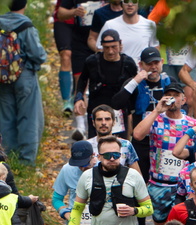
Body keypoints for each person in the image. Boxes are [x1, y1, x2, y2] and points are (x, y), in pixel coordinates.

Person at [132, 82, 196, 225]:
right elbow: (138, 135)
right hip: (159, 183)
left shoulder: (192, 124)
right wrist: (156, 110)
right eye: (168, 95)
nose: (172, 99)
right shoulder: (155, 119)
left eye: (175, 95)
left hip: (183, 185)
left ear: (183, 99)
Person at [0, 0, 46, 165]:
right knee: (28, 117)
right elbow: (37, 54)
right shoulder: (27, 26)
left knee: (6, 117)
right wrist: (32, 65)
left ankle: (6, 156)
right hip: (25, 76)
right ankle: (26, 159)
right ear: (25, 5)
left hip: (3, 77)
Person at [111, 46, 174, 179]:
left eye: (156, 63)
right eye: (149, 64)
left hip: (164, 139)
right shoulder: (134, 84)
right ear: (141, 65)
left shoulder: (169, 82)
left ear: (162, 62)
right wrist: (135, 81)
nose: (153, 67)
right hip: (142, 140)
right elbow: (116, 103)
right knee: (140, 179)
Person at [73, 29, 138, 139]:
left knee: (118, 146)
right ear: (101, 46)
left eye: (114, 47)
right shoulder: (92, 61)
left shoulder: (128, 63)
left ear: (120, 44)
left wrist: (131, 113)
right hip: (96, 109)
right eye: (106, 48)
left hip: (119, 113)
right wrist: (79, 98)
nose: (110, 51)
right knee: (95, 145)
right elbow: (82, 81)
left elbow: (134, 90)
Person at [53, 0, 96, 115]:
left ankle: (76, 94)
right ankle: (67, 101)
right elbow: (60, 13)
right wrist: (73, 11)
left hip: (85, 25)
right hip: (65, 21)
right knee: (66, 55)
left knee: (83, 64)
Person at [96, 0, 159, 65]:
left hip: (142, 70)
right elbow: (100, 49)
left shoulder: (150, 25)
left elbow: (155, 48)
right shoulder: (109, 25)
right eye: (126, 1)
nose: (130, 4)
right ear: (121, 4)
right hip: (118, 69)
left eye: (134, 1)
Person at [85, 105, 141, 170]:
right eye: (99, 119)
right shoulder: (86, 146)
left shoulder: (126, 145)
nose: (103, 123)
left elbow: (137, 176)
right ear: (93, 123)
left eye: (107, 119)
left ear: (114, 122)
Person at [53, 141, 95, 222]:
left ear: (93, 156)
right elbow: (56, 199)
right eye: (78, 164)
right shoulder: (67, 169)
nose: (82, 168)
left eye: (85, 164)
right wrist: (66, 213)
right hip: (75, 221)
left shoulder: (102, 168)